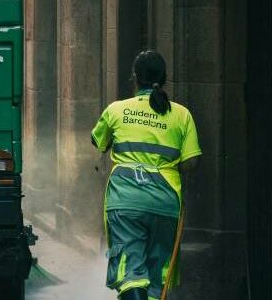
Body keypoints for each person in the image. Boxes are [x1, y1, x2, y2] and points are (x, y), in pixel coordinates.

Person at [91, 50, 201, 300]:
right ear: (164, 78)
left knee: (130, 274)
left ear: (135, 77)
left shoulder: (116, 110)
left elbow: (98, 141)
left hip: (125, 200)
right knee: (156, 280)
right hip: (165, 202)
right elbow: (191, 162)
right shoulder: (182, 115)